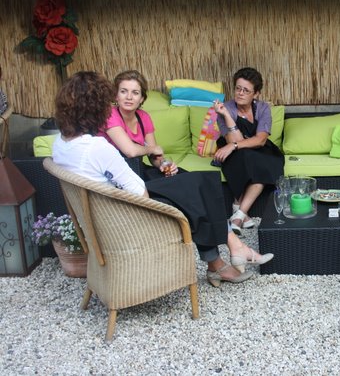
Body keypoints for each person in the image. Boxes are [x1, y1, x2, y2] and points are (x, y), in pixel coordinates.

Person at [52, 71, 273, 287]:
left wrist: (162, 164)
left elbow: (145, 161)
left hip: (113, 197)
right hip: (125, 208)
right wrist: (159, 165)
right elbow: (138, 189)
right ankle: (227, 255)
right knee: (196, 190)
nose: (122, 99)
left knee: (193, 182)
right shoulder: (98, 147)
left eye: (135, 92)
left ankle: (227, 254)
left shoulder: (62, 143)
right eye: (118, 94)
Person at [213, 67, 284, 234]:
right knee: (246, 158)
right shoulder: (225, 108)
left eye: (246, 90)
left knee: (258, 162)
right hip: (234, 151)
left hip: (259, 148)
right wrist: (227, 116)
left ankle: (238, 211)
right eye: (238, 88)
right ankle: (241, 216)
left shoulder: (263, 108)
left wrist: (233, 146)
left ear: (256, 94)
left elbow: (261, 139)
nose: (240, 93)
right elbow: (234, 140)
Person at [98, 70, 178, 178]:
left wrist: (163, 164)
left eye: (135, 93)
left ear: (141, 99)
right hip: (113, 176)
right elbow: (130, 151)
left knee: (186, 177)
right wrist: (152, 149)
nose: (129, 97)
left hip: (136, 171)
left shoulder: (144, 117)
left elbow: (154, 157)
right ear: (116, 95)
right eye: (123, 91)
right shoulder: (110, 114)